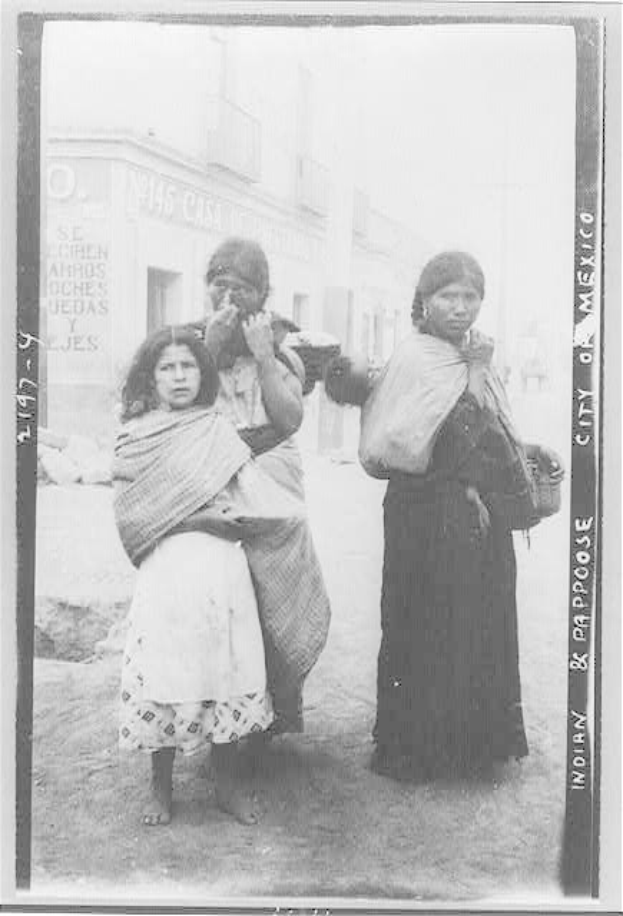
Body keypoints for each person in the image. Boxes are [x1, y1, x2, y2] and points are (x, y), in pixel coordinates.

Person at [327, 251, 563, 782]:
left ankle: (473, 747)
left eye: (470, 297)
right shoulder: (418, 359)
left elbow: (487, 430)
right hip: (426, 517)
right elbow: (450, 436)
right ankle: (415, 751)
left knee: (476, 626)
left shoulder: (467, 355)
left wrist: (524, 446)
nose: (460, 308)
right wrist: (477, 371)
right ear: (424, 302)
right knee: (427, 625)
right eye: (447, 297)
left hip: (476, 519)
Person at [189, 237, 331, 730]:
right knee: (219, 598)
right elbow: (177, 413)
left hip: (272, 477)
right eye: (220, 283)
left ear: (263, 295)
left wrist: (264, 356)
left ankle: (274, 711)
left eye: (243, 288)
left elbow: (288, 420)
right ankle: (219, 717)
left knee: (274, 594)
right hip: (212, 481)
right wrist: (207, 346)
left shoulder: (281, 348)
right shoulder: (187, 345)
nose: (229, 296)